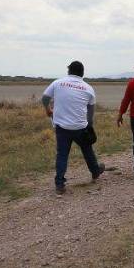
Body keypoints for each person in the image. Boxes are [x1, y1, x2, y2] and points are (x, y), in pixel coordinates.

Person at [42, 61, 104, 195]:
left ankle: (59, 184)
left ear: (69, 71)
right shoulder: (88, 88)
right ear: (82, 73)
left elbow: (45, 97)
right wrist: (89, 127)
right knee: (87, 150)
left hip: (62, 127)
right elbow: (90, 113)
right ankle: (95, 171)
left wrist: (48, 109)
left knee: (62, 154)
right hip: (80, 127)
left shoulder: (58, 83)